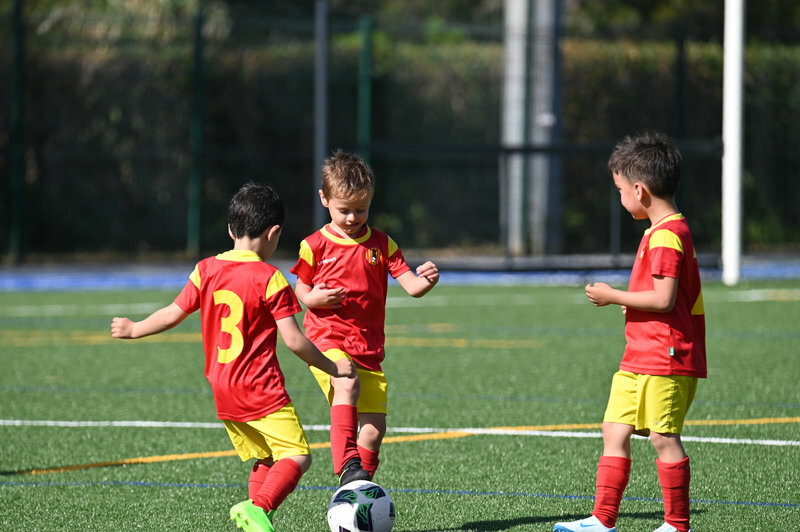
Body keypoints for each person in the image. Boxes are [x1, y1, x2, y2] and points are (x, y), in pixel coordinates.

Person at [110, 182, 355, 532]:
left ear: (230, 229)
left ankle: (257, 519)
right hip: (260, 389)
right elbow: (294, 340)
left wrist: (135, 329)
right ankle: (260, 509)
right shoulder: (270, 278)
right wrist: (334, 366)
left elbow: (172, 313)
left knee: (265, 456)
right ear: (274, 233)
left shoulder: (206, 269)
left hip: (223, 389)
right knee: (297, 456)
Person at [553, 132, 706, 532]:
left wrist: (612, 295)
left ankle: (677, 525)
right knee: (614, 429)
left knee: (663, 437)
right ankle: (602, 519)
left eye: (620, 189)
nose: (619, 196)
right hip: (639, 354)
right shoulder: (660, 231)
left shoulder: (667, 235)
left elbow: (664, 299)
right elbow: (660, 296)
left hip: (666, 356)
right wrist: (632, 302)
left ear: (639, 190)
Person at [290, 150, 440, 486]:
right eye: (344, 210)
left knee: (373, 430)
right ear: (324, 199)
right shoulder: (314, 245)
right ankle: (347, 463)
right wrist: (313, 298)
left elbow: (411, 286)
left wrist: (426, 281)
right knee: (346, 381)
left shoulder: (382, 244)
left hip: (367, 346)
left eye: (361, 210)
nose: (352, 218)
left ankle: (355, 489)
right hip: (326, 337)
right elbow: (301, 288)